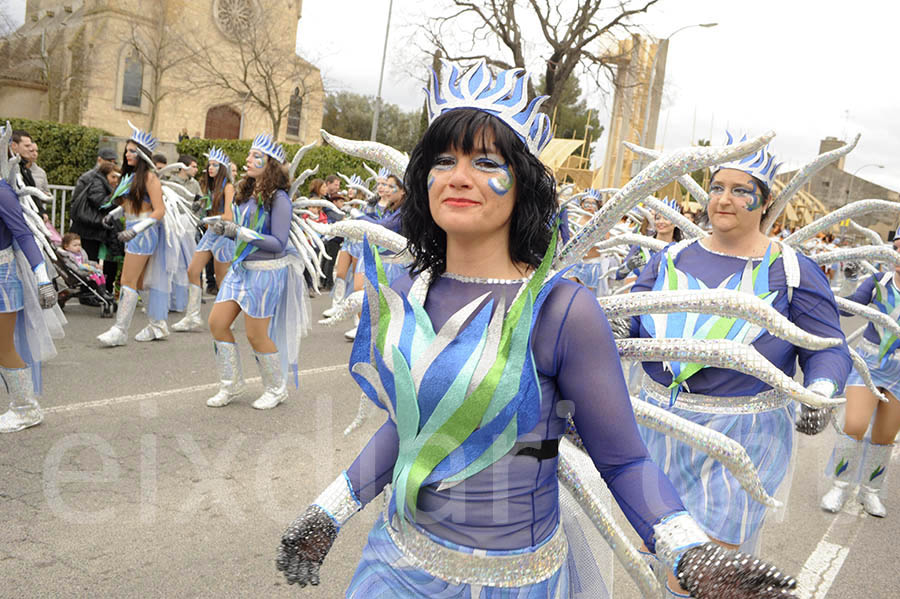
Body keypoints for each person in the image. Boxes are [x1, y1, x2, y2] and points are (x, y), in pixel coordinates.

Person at [275, 62, 798, 598]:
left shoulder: (562, 310)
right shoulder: (404, 287)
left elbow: (623, 459)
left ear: (522, 182)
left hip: (510, 584)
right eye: (443, 159)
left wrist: (688, 549)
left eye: (485, 162)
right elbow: (415, 427)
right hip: (392, 566)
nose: (459, 176)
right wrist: (329, 511)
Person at [627, 135, 851, 591]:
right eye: (716, 187)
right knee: (663, 559)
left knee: (696, 568)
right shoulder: (667, 259)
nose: (724, 198)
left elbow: (827, 346)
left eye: (740, 189)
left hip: (743, 439)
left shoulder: (790, 269)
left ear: (764, 202)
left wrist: (821, 391)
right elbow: (626, 324)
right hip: (660, 430)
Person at [205, 134, 309, 410]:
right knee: (217, 323)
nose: (248, 159)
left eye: (255, 156)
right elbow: (239, 232)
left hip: (265, 272)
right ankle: (232, 384)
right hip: (241, 270)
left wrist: (240, 232)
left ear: (270, 163)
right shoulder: (245, 192)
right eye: (249, 155)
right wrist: (224, 229)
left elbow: (278, 243)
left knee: (255, 334)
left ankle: (276, 388)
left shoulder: (280, 199)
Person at [819, 231, 900, 517]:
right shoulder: (878, 283)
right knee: (854, 424)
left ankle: (871, 492)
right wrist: (850, 279)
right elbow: (849, 307)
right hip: (869, 364)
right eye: (897, 249)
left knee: (885, 436)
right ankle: (840, 485)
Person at [0, 130, 59, 433]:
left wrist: (42, 277)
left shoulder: (2, 191)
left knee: (3, 345)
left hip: (3, 276)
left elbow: (23, 233)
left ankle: (25, 408)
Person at [97, 123, 170, 346]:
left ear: (142, 154)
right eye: (127, 150)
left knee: (127, 280)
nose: (128, 154)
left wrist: (135, 230)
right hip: (134, 231)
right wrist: (114, 213)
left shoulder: (149, 178)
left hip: (143, 233)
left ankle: (120, 330)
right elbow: (130, 204)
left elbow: (159, 210)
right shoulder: (129, 178)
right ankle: (158, 324)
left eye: (132, 151)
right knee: (139, 281)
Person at [171, 147, 235, 332]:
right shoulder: (211, 188)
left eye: (215, 165)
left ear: (222, 167)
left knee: (221, 277)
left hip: (223, 234)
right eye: (210, 165)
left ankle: (226, 317)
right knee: (193, 270)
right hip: (210, 234)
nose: (211, 168)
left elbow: (229, 216)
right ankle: (192, 316)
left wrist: (210, 219)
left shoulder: (228, 187)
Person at [69, 148, 120, 293]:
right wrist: (118, 195)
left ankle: (94, 290)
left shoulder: (97, 178)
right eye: (109, 161)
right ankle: (89, 292)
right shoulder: (94, 178)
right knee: (89, 260)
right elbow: (101, 202)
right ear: (100, 160)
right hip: (90, 226)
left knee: (93, 260)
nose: (111, 164)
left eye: (113, 162)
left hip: (92, 226)